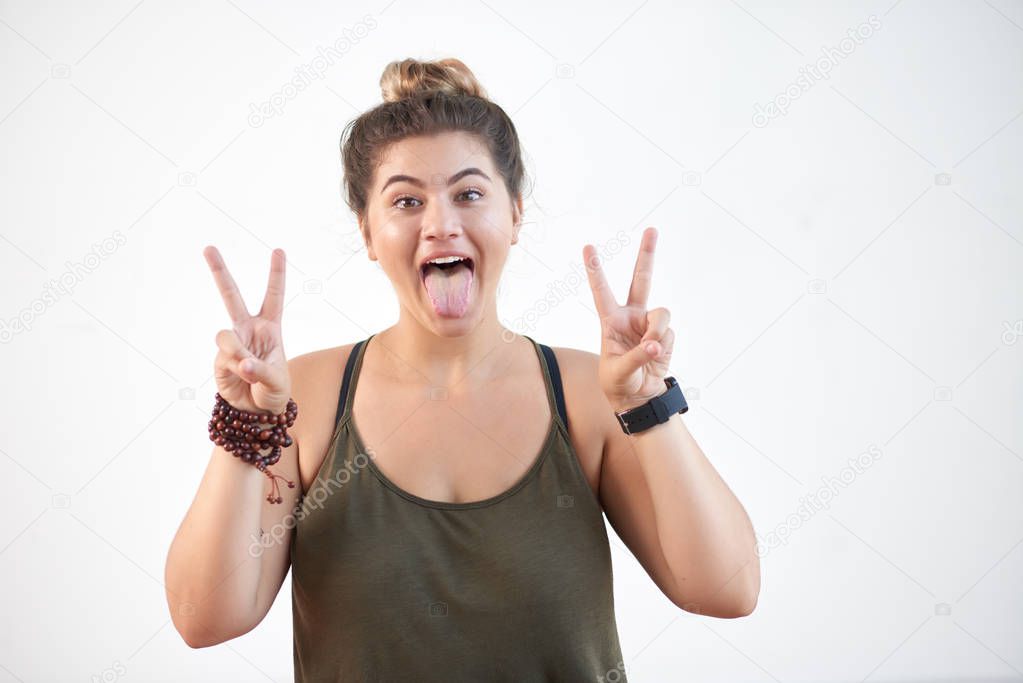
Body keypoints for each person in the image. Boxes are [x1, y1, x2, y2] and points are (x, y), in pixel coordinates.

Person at [164, 57, 760, 681]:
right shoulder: (301, 400)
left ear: (515, 215)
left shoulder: (592, 395)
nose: (441, 225)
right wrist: (245, 421)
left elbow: (728, 591)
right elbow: (205, 618)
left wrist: (650, 404)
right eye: (406, 201)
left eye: (469, 194)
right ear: (367, 232)